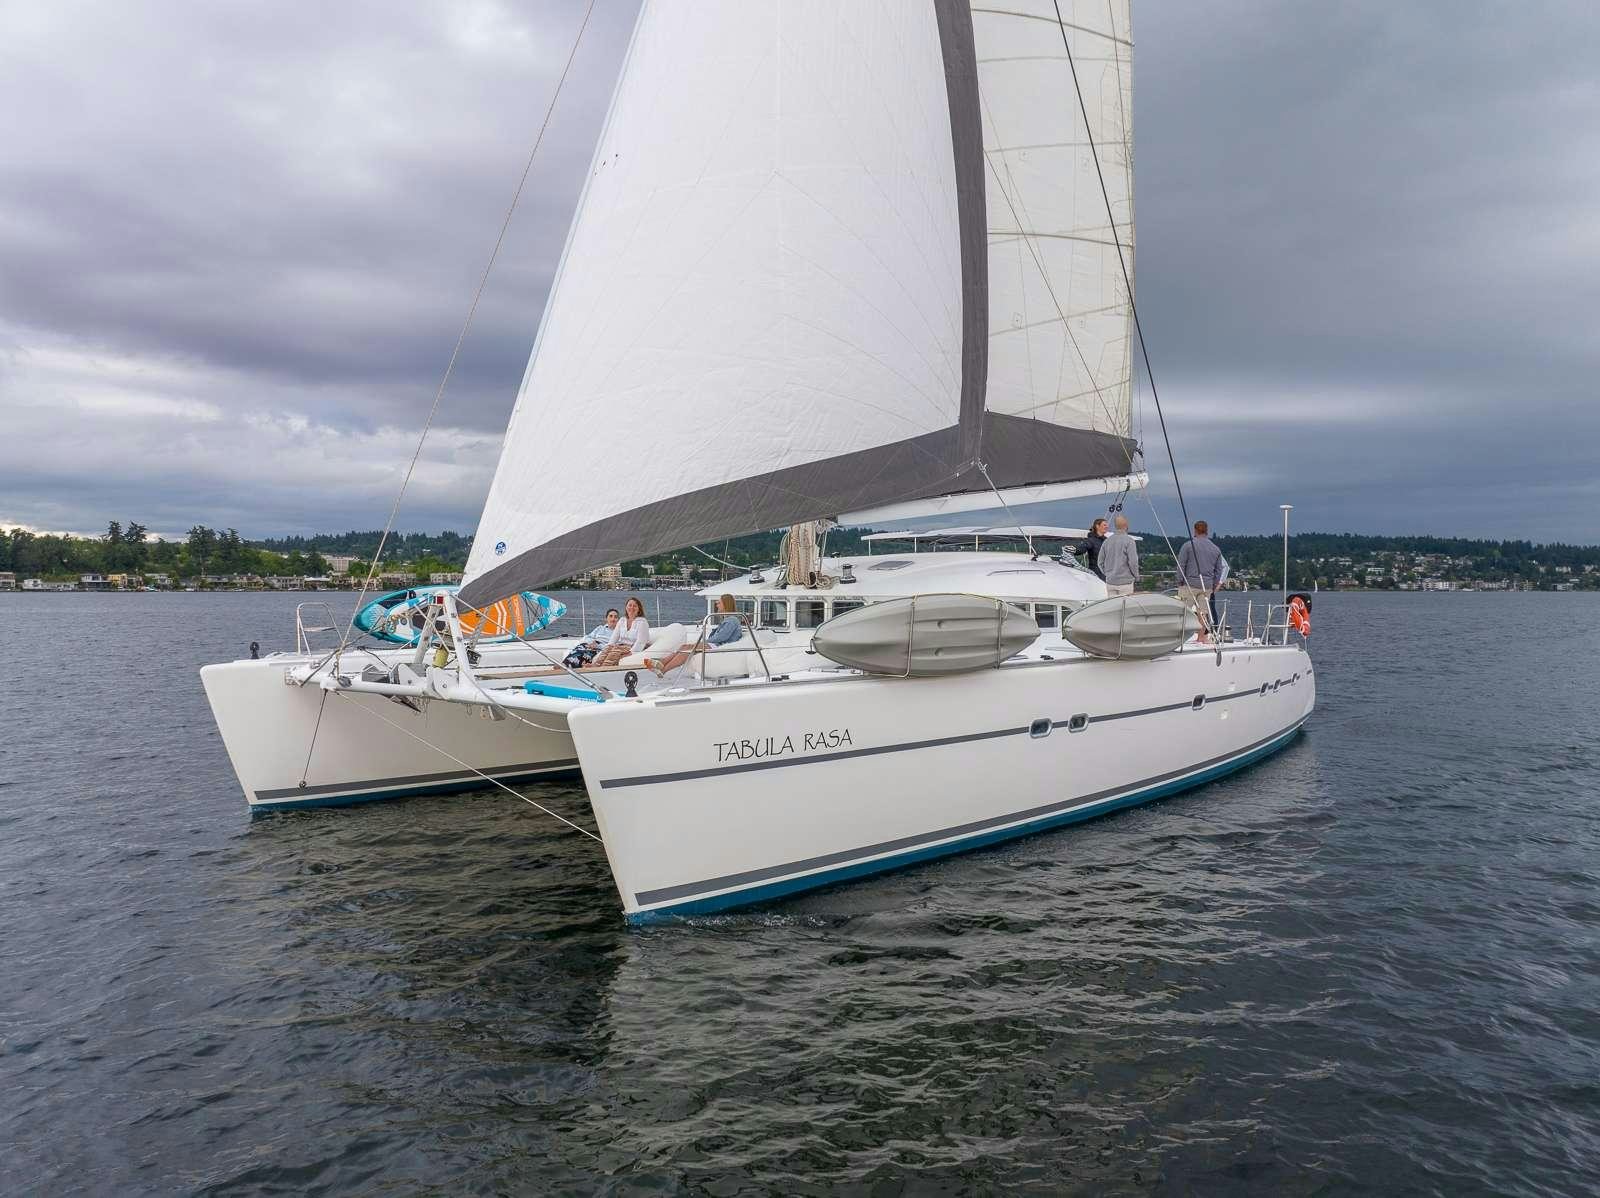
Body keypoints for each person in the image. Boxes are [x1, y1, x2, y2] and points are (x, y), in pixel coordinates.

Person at [646, 594, 744, 675]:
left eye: (719, 603)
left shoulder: (732, 620)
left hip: (721, 647)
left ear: (726, 604)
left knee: (689, 648)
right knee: (685, 646)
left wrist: (704, 642)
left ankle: (663, 669)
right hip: (716, 645)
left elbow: (722, 637)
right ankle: (663, 663)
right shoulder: (729, 619)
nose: (717, 605)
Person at [1176, 520, 1230, 641]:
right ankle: (1201, 637)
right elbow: (1218, 570)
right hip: (1206, 586)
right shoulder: (1216, 549)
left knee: (1183, 612)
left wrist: (1180, 581)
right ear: (1207, 531)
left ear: (1194, 531)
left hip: (1189, 584)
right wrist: (1214, 584)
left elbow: (1181, 565)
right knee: (1203, 613)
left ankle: (1180, 638)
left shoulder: (1188, 546)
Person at [592, 596, 651, 668]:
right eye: (630, 605)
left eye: (635, 606)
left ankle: (603, 669)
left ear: (639, 609)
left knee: (614, 652)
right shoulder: (622, 620)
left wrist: (631, 653)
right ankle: (594, 666)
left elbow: (641, 642)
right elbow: (614, 638)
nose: (632, 608)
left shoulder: (642, 622)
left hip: (631, 647)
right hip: (621, 646)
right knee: (608, 648)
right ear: (626, 607)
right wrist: (609, 647)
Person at [1099, 514, 1139, 596]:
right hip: (1126, 582)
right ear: (1126, 525)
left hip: (1110, 582)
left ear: (1115, 526)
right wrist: (1136, 576)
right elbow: (1133, 562)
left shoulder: (1106, 541)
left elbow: (1100, 562)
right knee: (1126, 607)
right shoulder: (1129, 541)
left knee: (1113, 607)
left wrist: (1108, 574)